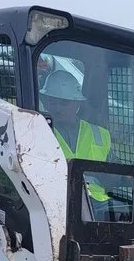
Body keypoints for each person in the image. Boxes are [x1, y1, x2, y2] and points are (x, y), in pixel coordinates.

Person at [39, 70, 115, 215]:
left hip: (97, 204)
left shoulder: (99, 134)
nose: (57, 108)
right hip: (55, 203)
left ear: (77, 103)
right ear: (46, 102)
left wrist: (127, 179)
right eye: (52, 102)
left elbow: (114, 172)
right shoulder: (38, 131)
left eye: (64, 103)